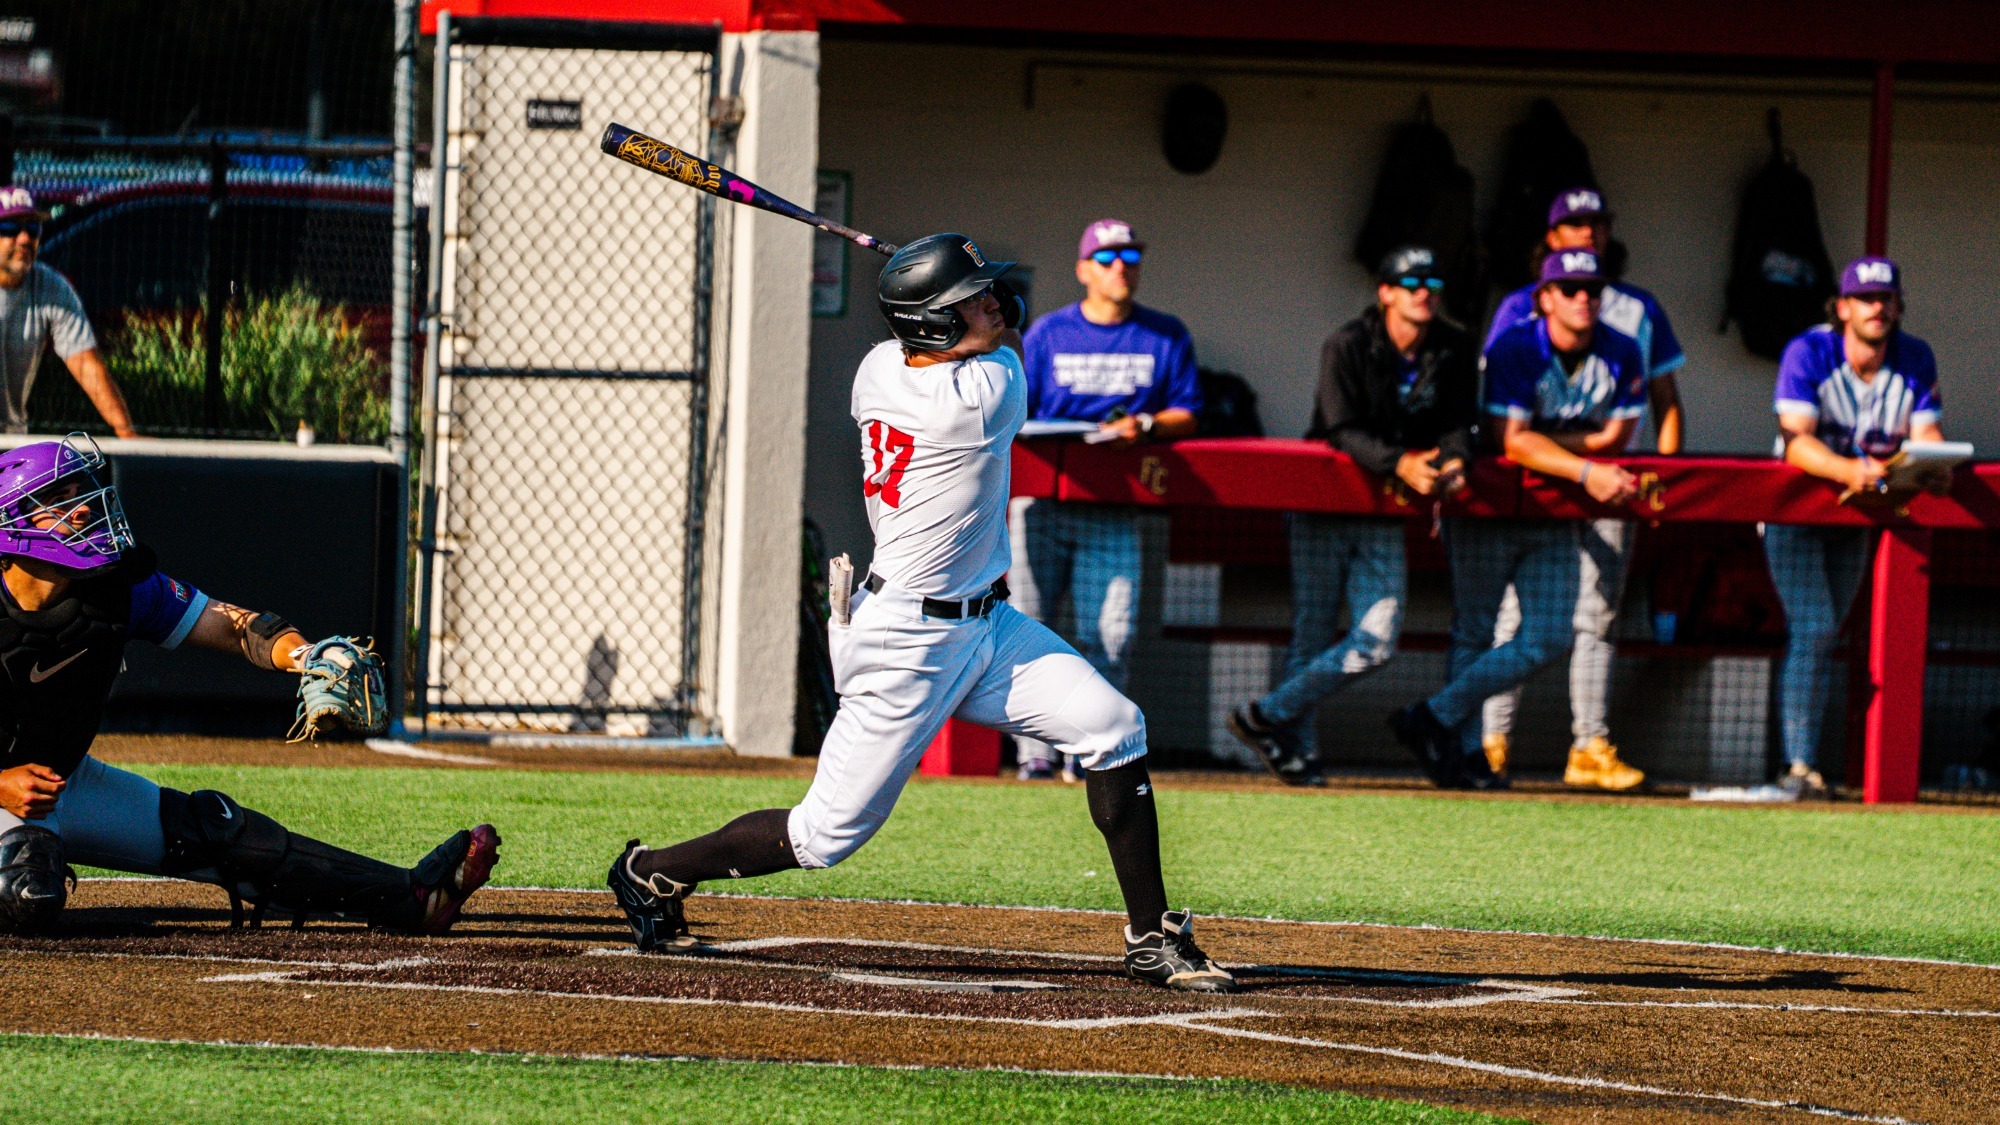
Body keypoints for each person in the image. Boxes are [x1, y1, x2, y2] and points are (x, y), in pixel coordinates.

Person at [607, 234, 1236, 993]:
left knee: (1112, 725)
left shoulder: (879, 368)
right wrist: (941, 280)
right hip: (906, 640)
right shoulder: (984, 395)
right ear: (932, 326)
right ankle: (653, 872)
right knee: (822, 835)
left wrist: (938, 278)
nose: (992, 305)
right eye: (970, 300)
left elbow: (971, 316)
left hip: (989, 627)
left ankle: (1150, 937)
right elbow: (1017, 323)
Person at [0, 435, 499, 935]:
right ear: (12, 523)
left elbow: (229, 625)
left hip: (56, 782)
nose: (84, 508)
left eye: (82, 491)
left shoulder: (119, 588)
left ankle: (408, 897)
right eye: (59, 498)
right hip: (7, 788)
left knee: (218, 832)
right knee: (25, 883)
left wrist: (306, 655)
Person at [1392, 249, 1643, 789]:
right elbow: (1511, 440)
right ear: (1544, 297)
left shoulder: (1622, 349)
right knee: (1475, 632)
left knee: (1552, 636)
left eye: (1592, 289)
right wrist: (1580, 465)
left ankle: (1433, 716)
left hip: (1553, 515)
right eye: (1570, 289)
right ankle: (1459, 753)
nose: (1583, 299)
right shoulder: (1515, 344)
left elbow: (1613, 439)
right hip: (1488, 505)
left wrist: (1546, 447)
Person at [1227, 247, 1477, 787]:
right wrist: (1401, 463)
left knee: (1379, 640)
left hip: (1384, 512)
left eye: (1431, 281)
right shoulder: (1348, 343)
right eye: (1409, 282)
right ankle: (1300, 753)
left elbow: (1460, 422)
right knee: (1312, 632)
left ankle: (1262, 716)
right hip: (1325, 503)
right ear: (1385, 292)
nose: (1423, 290)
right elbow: (1341, 428)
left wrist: (1455, 460)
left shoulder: (1454, 347)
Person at [1479, 187, 1683, 784]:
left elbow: (1667, 402)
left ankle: (1590, 746)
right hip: (1535, 483)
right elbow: (1505, 425)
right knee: (1515, 612)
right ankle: (1491, 739)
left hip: (1615, 480)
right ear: (1552, 238)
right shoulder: (1520, 308)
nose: (1588, 232)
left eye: (1597, 223)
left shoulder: (1636, 309)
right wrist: (1577, 454)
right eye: (1575, 224)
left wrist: (1661, 479)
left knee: (1599, 613)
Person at [1012, 219, 1201, 781]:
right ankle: (1036, 756)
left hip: (1116, 508)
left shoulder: (1165, 335)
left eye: (1130, 257)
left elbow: (1188, 411)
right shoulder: (1047, 332)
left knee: (1111, 634)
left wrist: (1144, 424)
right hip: (1042, 503)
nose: (1121, 266)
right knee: (1030, 627)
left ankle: (1092, 753)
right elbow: (1017, 411)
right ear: (1084, 269)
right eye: (1108, 257)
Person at [1765, 257, 1943, 799]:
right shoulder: (1810, 350)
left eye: (1885, 298)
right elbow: (1795, 437)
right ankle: (1798, 766)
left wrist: (1936, 465)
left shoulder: (1914, 356)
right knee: (1816, 628)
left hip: (1861, 517)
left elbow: (1929, 432)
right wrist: (1849, 470)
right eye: (1865, 299)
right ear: (1843, 308)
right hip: (1797, 513)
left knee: (1826, 635)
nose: (1877, 307)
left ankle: (1809, 764)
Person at [0, 189, 137, 438]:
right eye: (10, 228)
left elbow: (86, 364)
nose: (24, 238)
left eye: (33, 229)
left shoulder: (49, 286)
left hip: (10, 441)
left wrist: (126, 432)